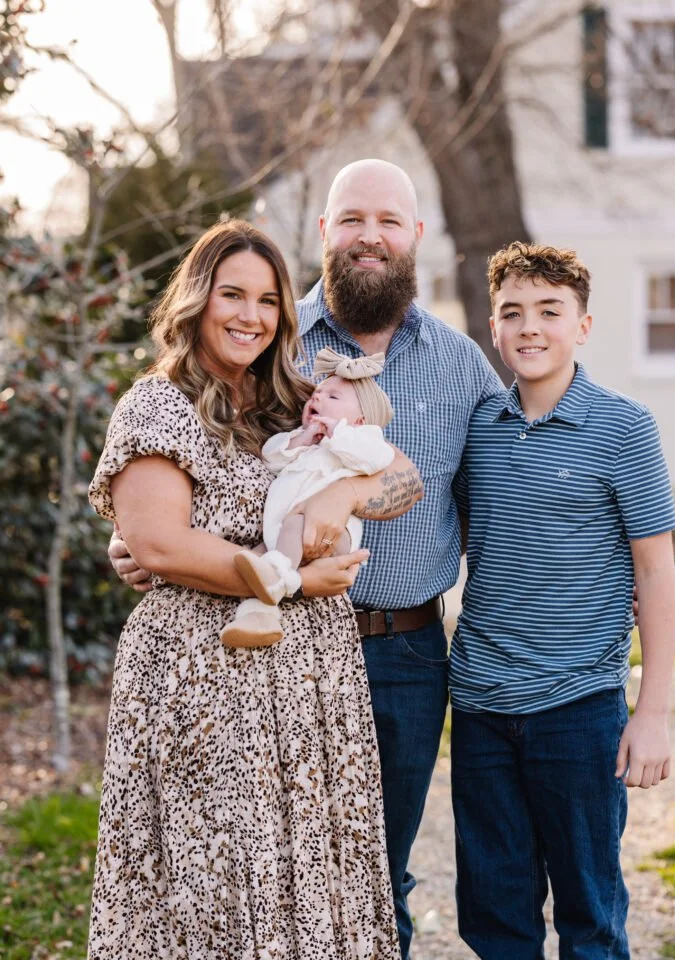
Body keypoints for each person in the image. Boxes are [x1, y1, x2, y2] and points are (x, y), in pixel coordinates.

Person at [109, 158, 505, 959]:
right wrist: (144, 542)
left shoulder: (454, 364)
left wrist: (336, 501)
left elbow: (446, 487)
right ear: (324, 232)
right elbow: (177, 498)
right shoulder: (279, 360)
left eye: (389, 221)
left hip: (401, 652)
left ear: (415, 236)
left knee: (366, 878)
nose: (370, 236)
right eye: (352, 219)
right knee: (243, 877)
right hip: (264, 653)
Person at [87, 219, 422, 958]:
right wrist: (295, 579)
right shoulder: (158, 405)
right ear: (196, 300)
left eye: (268, 301)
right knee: (213, 884)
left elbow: (406, 480)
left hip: (307, 689)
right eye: (231, 294)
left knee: (307, 878)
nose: (250, 315)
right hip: (204, 679)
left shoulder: (291, 399)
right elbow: (158, 543)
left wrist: (342, 497)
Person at [449, 242, 675, 958]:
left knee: (591, 918)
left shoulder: (624, 427)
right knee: (496, 919)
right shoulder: (478, 429)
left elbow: (658, 576)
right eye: (513, 312)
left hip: (578, 713)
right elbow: (429, 533)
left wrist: (652, 714)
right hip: (482, 709)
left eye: (550, 311)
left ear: (582, 325)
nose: (530, 327)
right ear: (493, 327)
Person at [221, 346, 395, 647]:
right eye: (317, 393)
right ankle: (258, 617)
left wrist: (337, 436)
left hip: (330, 536)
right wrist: (301, 439)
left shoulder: (362, 440)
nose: (317, 398)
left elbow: (377, 459)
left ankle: (281, 580)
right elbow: (271, 458)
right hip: (284, 538)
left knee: (289, 534)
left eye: (333, 397)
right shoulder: (309, 445)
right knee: (253, 561)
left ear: (359, 420)